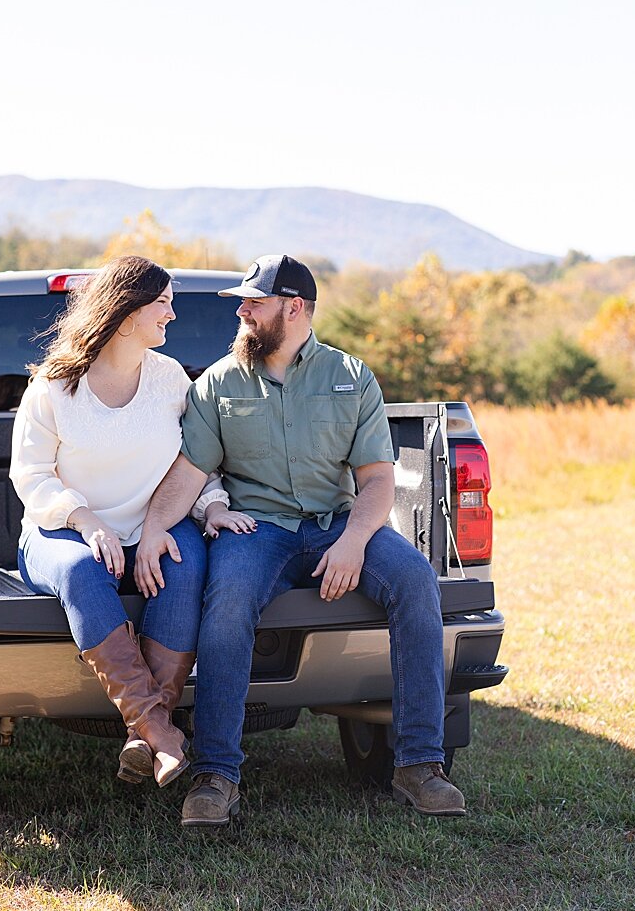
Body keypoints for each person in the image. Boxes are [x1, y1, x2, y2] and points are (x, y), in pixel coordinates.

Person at [141, 254, 467, 827]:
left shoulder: (350, 377)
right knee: (228, 605)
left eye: (253, 302)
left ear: (294, 308)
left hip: (338, 523)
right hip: (255, 530)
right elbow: (189, 474)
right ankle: (217, 774)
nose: (241, 311)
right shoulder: (217, 383)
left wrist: (354, 542)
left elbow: (377, 480)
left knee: (416, 579)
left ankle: (419, 764)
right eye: (242, 303)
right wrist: (152, 531)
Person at [9, 255, 226, 788]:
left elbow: (191, 460)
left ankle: (144, 733)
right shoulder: (53, 388)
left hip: (150, 527)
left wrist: (211, 505)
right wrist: (85, 521)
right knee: (83, 572)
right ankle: (163, 733)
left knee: (185, 557)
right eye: (164, 302)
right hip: (60, 530)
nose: (172, 315)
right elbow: (30, 476)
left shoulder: (169, 378)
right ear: (127, 313)